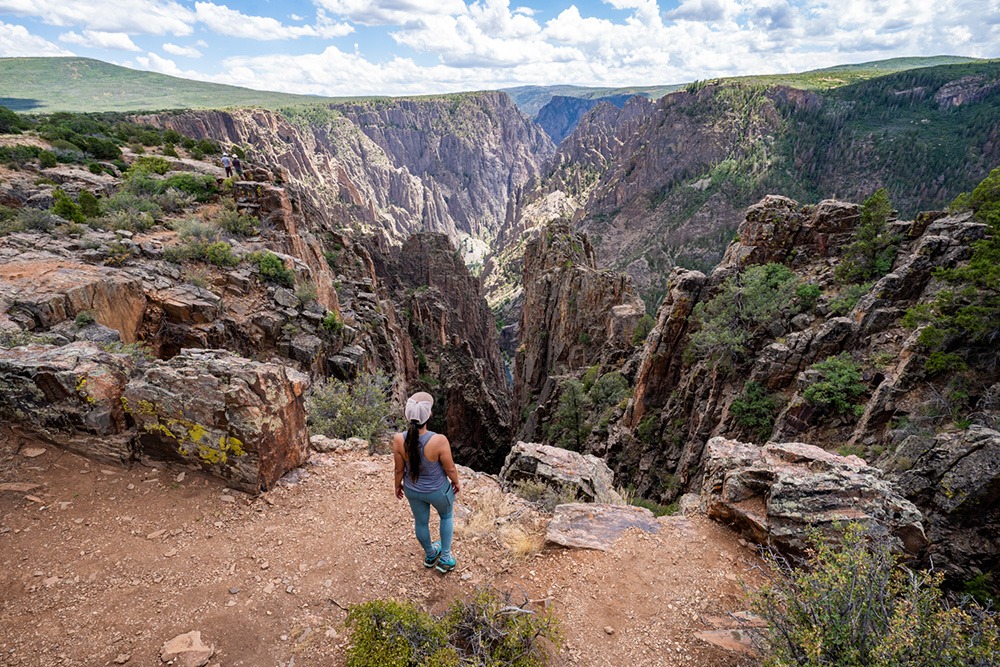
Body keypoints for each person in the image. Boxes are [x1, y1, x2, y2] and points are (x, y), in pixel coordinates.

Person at [393, 391, 461, 573]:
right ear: (429, 415)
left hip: (412, 490)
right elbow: (450, 469)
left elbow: (399, 469)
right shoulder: (438, 440)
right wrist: (456, 482)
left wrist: (397, 486)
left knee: (421, 523)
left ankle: (431, 554)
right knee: (446, 517)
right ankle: (445, 558)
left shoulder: (399, 439)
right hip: (438, 490)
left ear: (408, 416)